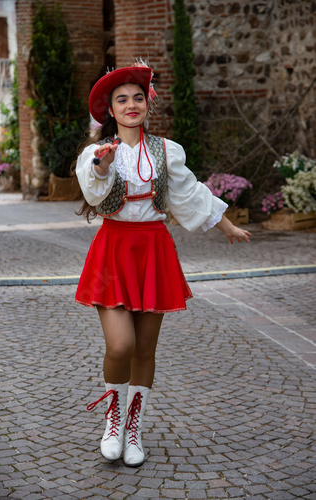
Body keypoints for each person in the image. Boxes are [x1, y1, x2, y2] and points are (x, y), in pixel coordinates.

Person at [74, 62, 251, 467]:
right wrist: (103, 163)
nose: (131, 104)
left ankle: (134, 427)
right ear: (111, 111)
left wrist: (225, 225)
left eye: (138, 97)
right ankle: (113, 419)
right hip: (114, 250)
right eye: (122, 100)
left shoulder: (166, 152)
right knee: (121, 345)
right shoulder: (96, 153)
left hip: (154, 249)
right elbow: (94, 187)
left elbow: (190, 193)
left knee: (145, 350)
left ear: (146, 105)